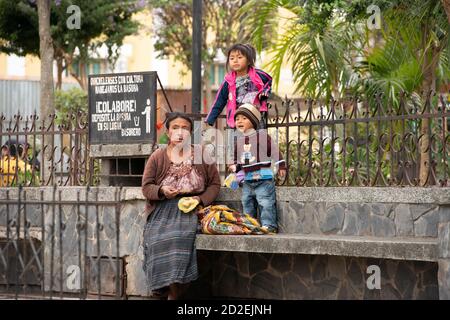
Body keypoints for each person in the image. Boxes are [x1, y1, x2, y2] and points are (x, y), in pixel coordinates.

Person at [141, 112, 221, 300]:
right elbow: (146, 187)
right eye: (175, 128)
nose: (180, 132)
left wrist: (199, 200)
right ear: (168, 132)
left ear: (190, 133)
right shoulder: (157, 157)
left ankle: (175, 294)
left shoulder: (202, 154)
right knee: (155, 240)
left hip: (192, 208)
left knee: (179, 238)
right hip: (163, 209)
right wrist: (162, 191)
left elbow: (215, 185)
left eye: (185, 128)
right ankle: (163, 290)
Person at [228, 103, 287, 234]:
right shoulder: (239, 141)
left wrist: (281, 165)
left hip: (263, 178)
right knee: (246, 202)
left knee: (265, 202)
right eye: (237, 119)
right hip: (248, 180)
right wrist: (235, 166)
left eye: (244, 118)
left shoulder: (261, 136)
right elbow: (241, 160)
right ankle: (250, 225)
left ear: (253, 121)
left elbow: (274, 151)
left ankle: (269, 225)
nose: (239, 121)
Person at [205, 43, 272, 129]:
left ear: (248, 61)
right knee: (235, 142)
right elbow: (219, 100)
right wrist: (210, 119)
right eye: (232, 58)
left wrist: (265, 92)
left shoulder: (258, 75)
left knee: (258, 141)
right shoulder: (228, 81)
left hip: (256, 118)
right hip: (236, 120)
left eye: (239, 57)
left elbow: (269, 81)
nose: (235, 61)